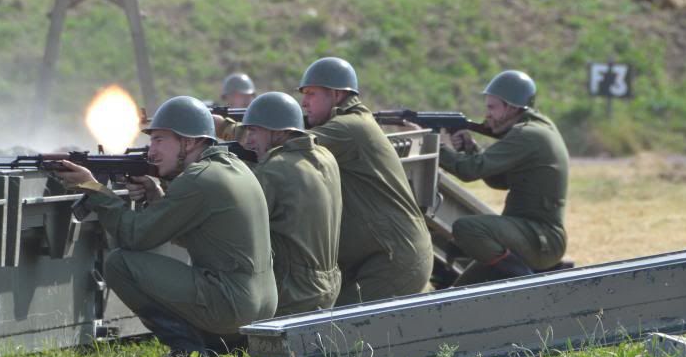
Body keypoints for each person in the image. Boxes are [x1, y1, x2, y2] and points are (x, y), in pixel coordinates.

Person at [52, 95, 276, 356]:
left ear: (189, 141)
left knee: (119, 264)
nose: (152, 151)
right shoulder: (233, 167)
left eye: (159, 140)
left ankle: (188, 347)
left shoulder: (198, 179)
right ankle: (222, 343)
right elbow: (202, 232)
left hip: (231, 307)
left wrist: (93, 188)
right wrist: (158, 197)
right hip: (261, 307)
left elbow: (133, 236)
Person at [298, 57, 433, 305]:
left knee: (335, 331)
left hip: (394, 259)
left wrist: (232, 130)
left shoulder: (348, 128)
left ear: (336, 95)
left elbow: (290, 146)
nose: (303, 102)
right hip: (388, 254)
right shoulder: (354, 123)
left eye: (311, 94)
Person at [440, 71, 569, 286]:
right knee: (459, 292)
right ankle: (521, 278)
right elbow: (499, 180)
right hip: (532, 235)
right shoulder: (538, 128)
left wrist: (438, 148)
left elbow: (469, 171)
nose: (487, 115)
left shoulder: (527, 135)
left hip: (541, 240)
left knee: (467, 228)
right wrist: (472, 149)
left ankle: (525, 282)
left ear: (511, 107)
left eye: (492, 107)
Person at [242, 92, 343, 315]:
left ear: (279, 131)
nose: (248, 140)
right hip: (329, 288)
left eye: (254, 131)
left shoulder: (273, 169)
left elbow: (234, 230)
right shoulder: (325, 156)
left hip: (293, 295)